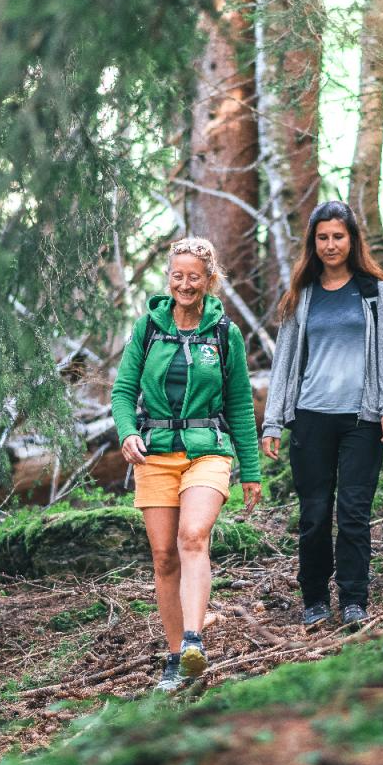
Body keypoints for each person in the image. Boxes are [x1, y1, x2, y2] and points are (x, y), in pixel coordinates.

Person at [112, 237, 261, 692]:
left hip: (207, 449)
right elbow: (122, 392)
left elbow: (239, 404)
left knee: (192, 536)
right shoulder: (148, 328)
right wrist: (127, 432)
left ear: (209, 280)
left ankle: (195, 640)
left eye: (194, 277)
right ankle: (176, 658)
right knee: (162, 558)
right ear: (169, 278)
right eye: (177, 276)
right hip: (155, 452)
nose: (184, 284)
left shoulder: (224, 333)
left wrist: (251, 471)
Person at [262, 201, 383, 628]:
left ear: (352, 239)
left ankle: (355, 599)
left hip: (362, 420)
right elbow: (285, 361)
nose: (330, 245)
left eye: (337, 236)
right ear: (313, 242)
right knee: (315, 514)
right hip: (311, 417)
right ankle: (314, 599)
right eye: (322, 237)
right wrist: (273, 420)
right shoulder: (301, 296)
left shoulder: (376, 292)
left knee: (355, 512)